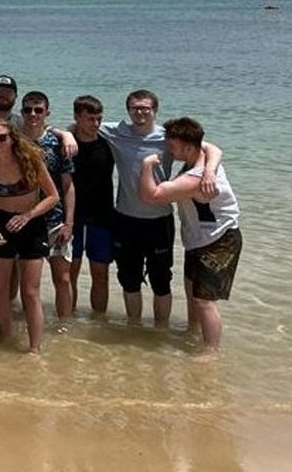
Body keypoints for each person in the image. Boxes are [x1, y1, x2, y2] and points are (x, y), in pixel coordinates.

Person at [100, 89, 221, 328]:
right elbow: (80, 125)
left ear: (155, 110)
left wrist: (209, 171)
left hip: (160, 220)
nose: (141, 112)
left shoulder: (168, 137)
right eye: (135, 108)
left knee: (161, 281)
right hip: (125, 218)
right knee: (129, 280)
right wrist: (67, 136)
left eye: (146, 108)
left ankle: (161, 331)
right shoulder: (115, 132)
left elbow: (210, 149)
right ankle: (133, 327)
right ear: (128, 110)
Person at [138, 118, 240, 351]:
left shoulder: (196, 177)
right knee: (193, 294)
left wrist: (146, 166)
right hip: (198, 240)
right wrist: (211, 169)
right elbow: (212, 147)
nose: (168, 149)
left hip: (220, 240)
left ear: (189, 147)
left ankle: (210, 351)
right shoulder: (202, 156)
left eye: (172, 146)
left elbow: (151, 196)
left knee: (204, 301)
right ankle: (192, 335)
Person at [0, 118, 60, 353]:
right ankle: (5, 339)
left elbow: (52, 197)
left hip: (31, 224)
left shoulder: (30, 161)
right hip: (0, 225)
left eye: (2, 137)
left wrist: (28, 215)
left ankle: (35, 349)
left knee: (30, 291)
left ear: (12, 138)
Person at [20, 91, 76, 324]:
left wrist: (69, 222)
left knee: (62, 279)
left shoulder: (57, 143)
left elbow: (68, 186)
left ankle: (64, 325)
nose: (33, 114)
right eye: (28, 110)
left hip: (54, 220)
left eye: (38, 110)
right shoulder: (13, 141)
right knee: (25, 281)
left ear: (47, 113)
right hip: (22, 220)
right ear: (21, 113)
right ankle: (25, 321)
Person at [70, 95, 115, 314]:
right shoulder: (66, 144)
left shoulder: (109, 144)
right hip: (72, 218)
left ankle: (99, 322)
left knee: (100, 274)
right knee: (70, 273)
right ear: (77, 118)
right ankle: (65, 323)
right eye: (90, 119)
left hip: (102, 218)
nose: (96, 124)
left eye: (99, 119)